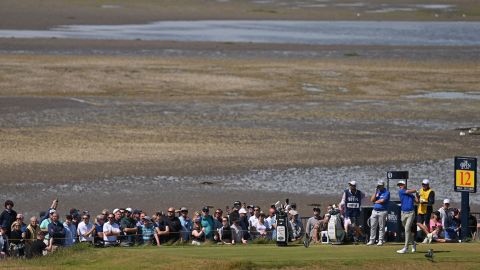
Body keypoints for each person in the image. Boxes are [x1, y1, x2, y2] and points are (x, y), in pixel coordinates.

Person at [396, 180, 418, 254]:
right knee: (407, 230)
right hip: (403, 213)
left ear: (405, 185)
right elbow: (410, 191)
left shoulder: (411, 194)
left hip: (411, 213)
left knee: (407, 229)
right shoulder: (401, 191)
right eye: (399, 185)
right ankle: (413, 243)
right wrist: (416, 190)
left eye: (401, 184)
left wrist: (417, 195)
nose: (400, 186)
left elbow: (417, 201)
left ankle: (405, 248)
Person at [366, 180, 390, 246]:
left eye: (380, 186)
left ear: (383, 186)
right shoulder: (377, 192)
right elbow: (372, 200)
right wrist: (375, 192)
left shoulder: (387, 192)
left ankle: (380, 240)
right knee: (373, 226)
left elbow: (382, 201)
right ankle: (372, 240)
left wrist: (376, 201)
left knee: (381, 227)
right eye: (378, 186)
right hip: (374, 211)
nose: (379, 187)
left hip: (383, 211)